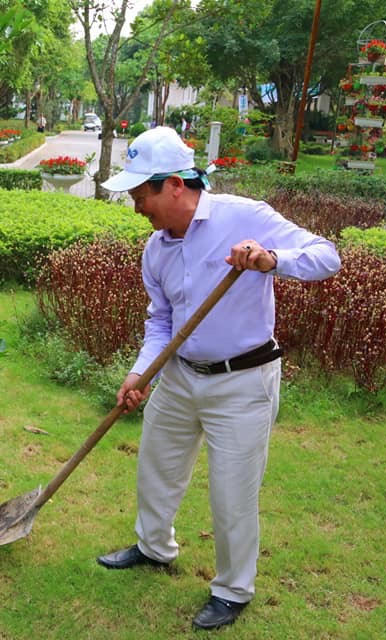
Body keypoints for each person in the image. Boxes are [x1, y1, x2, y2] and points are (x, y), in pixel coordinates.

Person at [96, 127, 340, 630]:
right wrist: (141, 371)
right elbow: (161, 322)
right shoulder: (155, 250)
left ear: (176, 186)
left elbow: (326, 256)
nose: (136, 207)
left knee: (232, 492)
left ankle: (232, 590)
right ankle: (153, 547)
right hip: (181, 377)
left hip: (243, 382)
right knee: (156, 467)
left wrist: (271, 260)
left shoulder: (244, 217)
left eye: (141, 195)